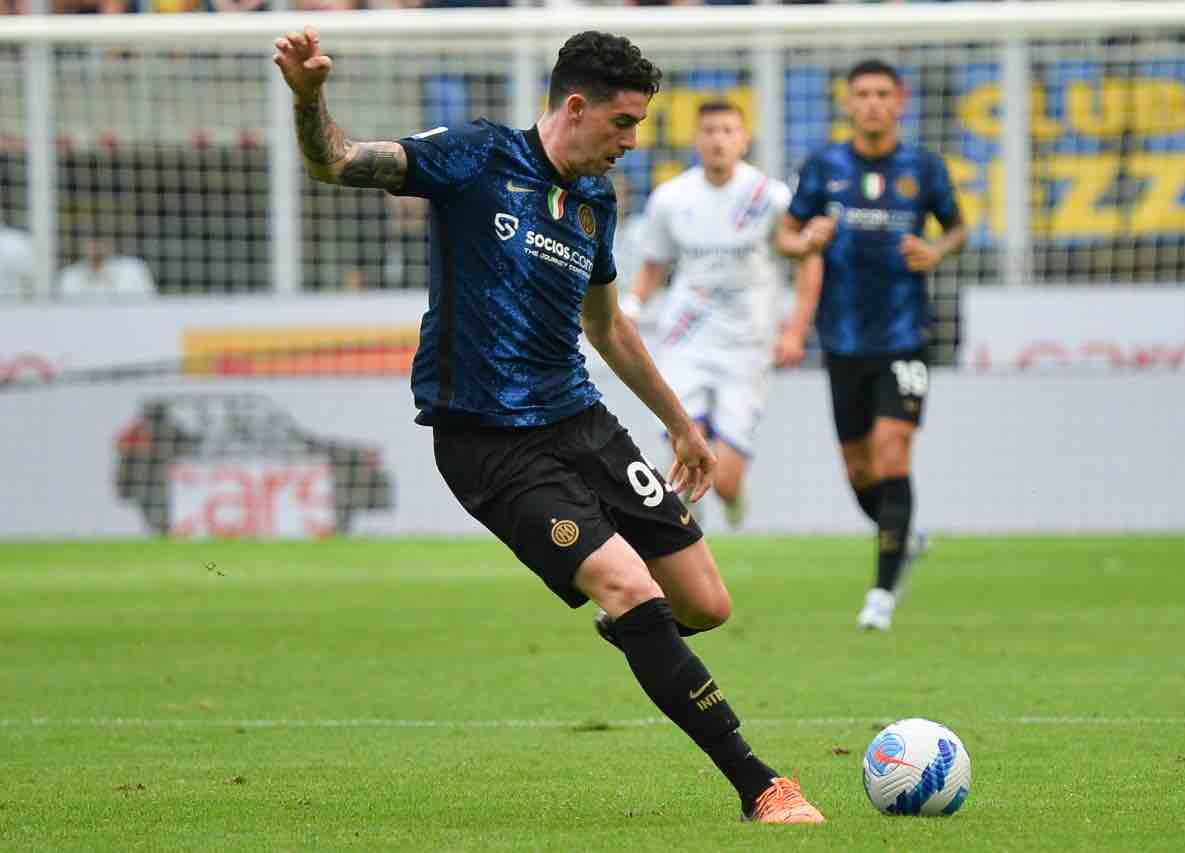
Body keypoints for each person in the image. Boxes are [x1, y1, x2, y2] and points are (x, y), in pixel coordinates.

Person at [273, 26, 824, 824]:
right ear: (575, 106)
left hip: (580, 421)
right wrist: (309, 98)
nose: (632, 141)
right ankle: (761, 785)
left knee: (705, 603)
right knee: (631, 586)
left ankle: (634, 626)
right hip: (489, 443)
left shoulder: (596, 200)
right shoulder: (474, 157)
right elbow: (335, 161)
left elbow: (609, 327)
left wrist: (680, 425)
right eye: (624, 122)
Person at [775, 59, 968, 632]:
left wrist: (937, 251)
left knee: (892, 451)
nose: (873, 103)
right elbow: (785, 236)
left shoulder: (923, 167)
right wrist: (804, 241)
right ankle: (903, 534)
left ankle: (881, 595)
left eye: (883, 93)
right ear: (848, 102)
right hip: (842, 340)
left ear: (900, 100)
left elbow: (957, 228)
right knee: (859, 471)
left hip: (905, 337)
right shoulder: (824, 166)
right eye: (862, 94)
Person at [619, 100, 812, 529]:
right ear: (696, 140)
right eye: (709, 131)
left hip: (748, 344)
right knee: (685, 452)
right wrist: (632, 307)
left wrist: (795, 330)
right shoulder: (671, 198)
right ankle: (687, 535)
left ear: (743, 140)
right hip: (686, 339)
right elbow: (654, 266)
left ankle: (731, 498)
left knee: (724, 480)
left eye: (728, 131)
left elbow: (808, 260)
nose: (718, 140)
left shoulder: (770, 198)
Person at [57, 235, 156, 300]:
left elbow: (149, 305)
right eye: (91, 240)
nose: (96, 246)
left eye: (100, 239)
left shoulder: (133, 270)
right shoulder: (69, 276)